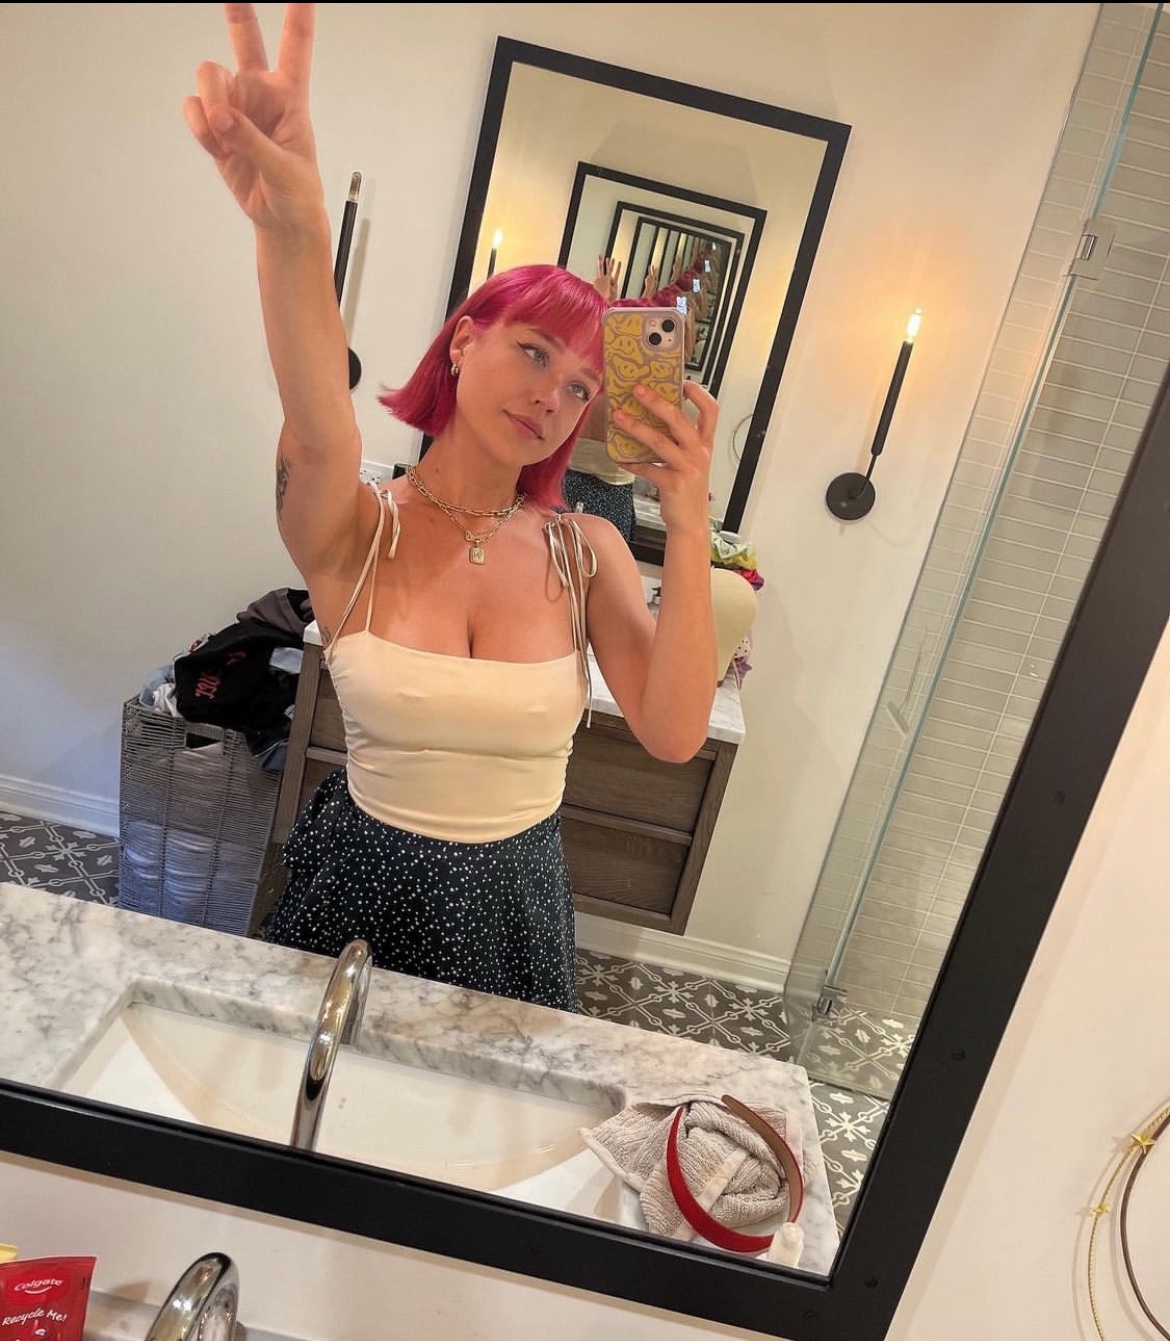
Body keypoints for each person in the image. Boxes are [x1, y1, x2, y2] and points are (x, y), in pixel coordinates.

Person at [183, 3, 719, 1012]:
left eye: (580, 386)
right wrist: (291, 232)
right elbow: (316, 428)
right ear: (465, 340)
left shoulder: (585, 550)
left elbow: (674, 731)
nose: (553, 396)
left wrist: (688, 518)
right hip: (357, 891)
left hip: (517, 912)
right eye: (534, 352)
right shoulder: (357, 528)